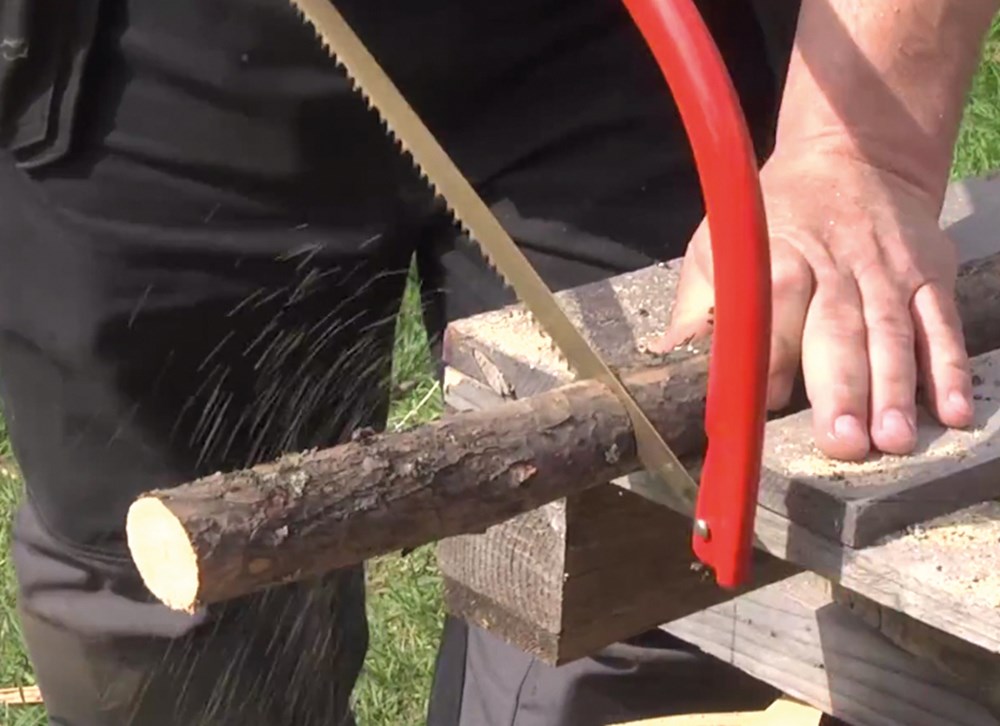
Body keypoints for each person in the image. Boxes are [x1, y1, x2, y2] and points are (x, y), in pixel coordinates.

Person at [0, 1, 993, 725]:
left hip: (639, 49)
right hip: (146, 55)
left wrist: (860, 146)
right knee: (167, 618)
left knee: (637, 592)